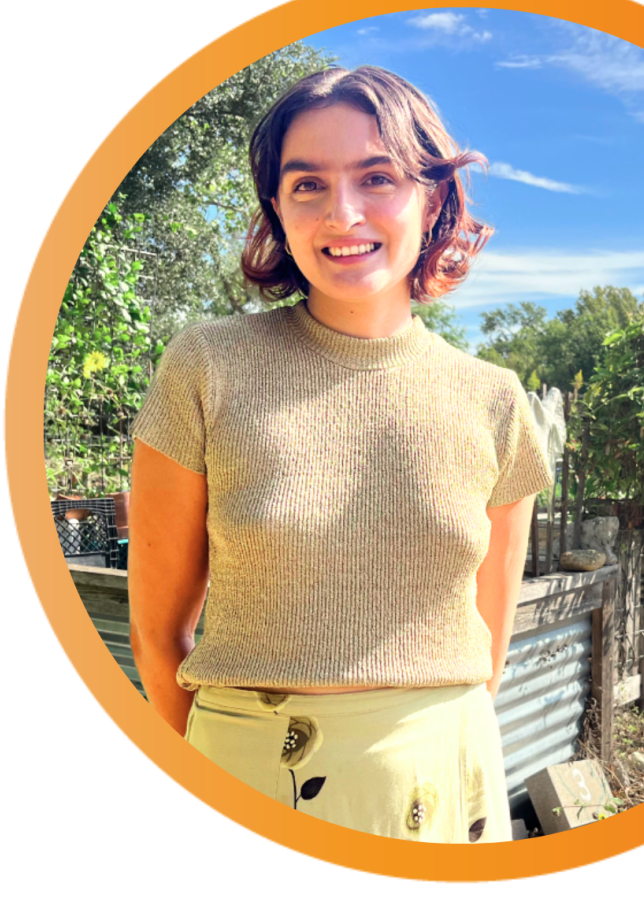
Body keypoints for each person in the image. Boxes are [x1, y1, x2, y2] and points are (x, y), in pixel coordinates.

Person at [127, 65, 553, 844]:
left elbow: (487, 649)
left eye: (377, 177)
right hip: (246, 786)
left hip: (448, 790)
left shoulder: (495, 400)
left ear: (434, 200)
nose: (342, 212)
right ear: (277, 211)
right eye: (308, 185)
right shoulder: (205, 368)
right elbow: (158, 639)